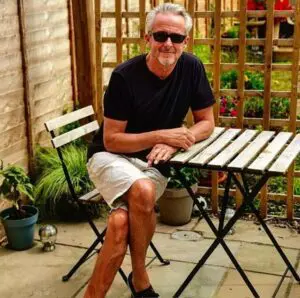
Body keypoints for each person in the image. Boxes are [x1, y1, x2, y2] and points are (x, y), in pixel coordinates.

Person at [84, 3, 215, 298]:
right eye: (161, 35)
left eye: (176, 37)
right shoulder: (124, 77)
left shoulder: (192, 68)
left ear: (186, 42)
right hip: (110, 157)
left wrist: (177, 139)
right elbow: (112, 141)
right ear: (147, 38)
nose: (168, 43)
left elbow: (207, 123)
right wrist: (161, 134)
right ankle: (140, 276)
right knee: (142, 191)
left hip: (155, 161)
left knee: (119, 222)